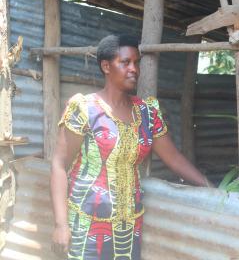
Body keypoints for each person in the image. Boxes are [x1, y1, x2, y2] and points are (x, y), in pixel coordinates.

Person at [50, 35, 211, 260]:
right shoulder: (84, 109)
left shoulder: (147, 112)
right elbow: (59, 165)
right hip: (86, 224)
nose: (134, 69)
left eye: (137, 62)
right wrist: (60, 224)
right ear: (106, 66)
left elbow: (173, 158)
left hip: (129, 224)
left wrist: (210, 187)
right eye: (125, 62)